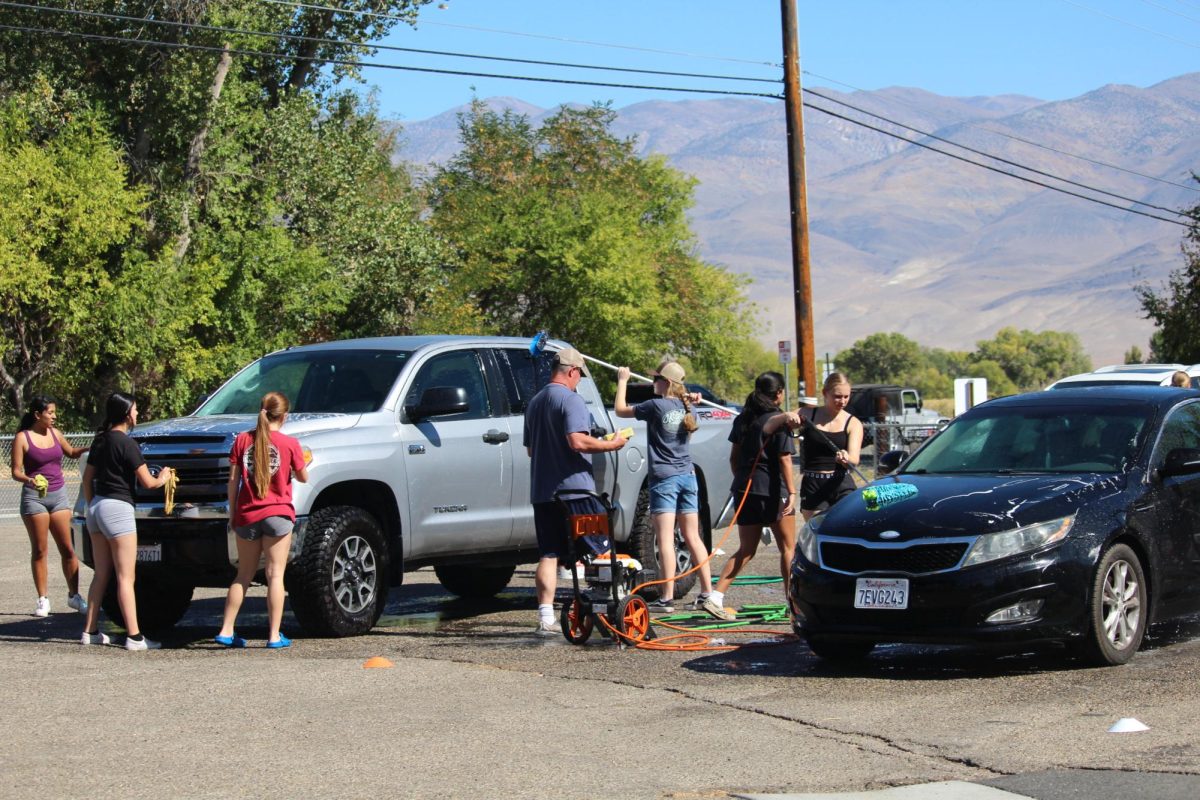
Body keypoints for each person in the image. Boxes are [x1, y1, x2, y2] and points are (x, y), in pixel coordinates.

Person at [523, 347, 627, 635]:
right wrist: (611, 444)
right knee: (601, 546)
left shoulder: (534, 403)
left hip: (544, 493)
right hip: (576, 493)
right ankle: (608, 604)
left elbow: (532, 450)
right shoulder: (571, 400)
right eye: (579, 374)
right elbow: (577, 442)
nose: (579, 380)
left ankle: (546, 617)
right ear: (571, 371)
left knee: (550, 553)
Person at [614, 360, 714, 614]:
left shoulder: (654, 406)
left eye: (656, 379)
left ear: (666, 383)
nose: (651, 383)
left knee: (666, 538)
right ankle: (707, 593)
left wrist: (623, 380)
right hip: (687, 476)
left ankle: (666, 598)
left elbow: (620, 410)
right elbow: (689, 403)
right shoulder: (686, 404)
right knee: (692, 536)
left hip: (665, 479)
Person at [80, 392, 174, 650]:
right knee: (125, 577)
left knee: (101, 573)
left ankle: (90, 630)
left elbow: (87, 479)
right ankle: (134, 637)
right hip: (118, 509)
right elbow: (148, 482)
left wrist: (91, 506)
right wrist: (164, 477)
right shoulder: (128, 444)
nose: (137, 414)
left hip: (97, 507)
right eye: (134, 410)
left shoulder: (100, 441)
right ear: (125, 414)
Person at [215, 392, 308, 649]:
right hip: (277, 514)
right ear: (285, 416)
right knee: (275, 574)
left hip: (247, 513)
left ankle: (226, 629)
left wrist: (233, 513)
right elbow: (303, 477)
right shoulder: (290, 443)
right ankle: (274, 635)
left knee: (243, 574)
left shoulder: (242, 440)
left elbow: (233, 480)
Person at [702, 372, 797, 622]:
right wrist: (793, 493)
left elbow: (734, 458)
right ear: (779, 394)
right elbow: (785, 459)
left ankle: (715, 597)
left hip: (745, 489)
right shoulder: (779, 422)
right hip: (773, 491)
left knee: (746, 549)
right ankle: (794, 603)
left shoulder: (743, 419)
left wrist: (744, 482)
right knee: (788, 547)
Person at [10, 395, 90, 618]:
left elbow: (72, 453)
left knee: (68, 548)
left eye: (55, 413)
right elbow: (16, 471)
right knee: (40, 550)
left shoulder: (56, 434)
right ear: (38, 415)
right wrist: (29, 480)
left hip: (59, 496)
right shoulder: (22, 438)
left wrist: (92, 447)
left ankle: (74, 596)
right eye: (50, 413)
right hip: (34, 498)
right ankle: (43, 599)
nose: (54, 417)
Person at [796, 372, 864, 522]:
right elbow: (776, 422)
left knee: (846, 530)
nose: (842, 401)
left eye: (846, 396)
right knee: (818, 531)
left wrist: (847, 458)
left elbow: (854, 459)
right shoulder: (807, 413)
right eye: (837, 396)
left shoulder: (853, 423)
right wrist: (786, 418)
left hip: (841, 483)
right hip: (814, 484)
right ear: (825, 393)